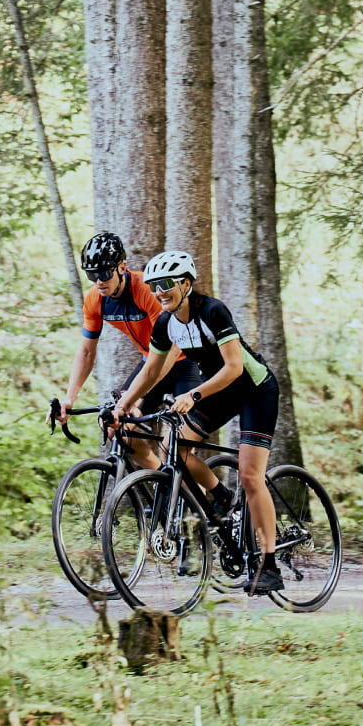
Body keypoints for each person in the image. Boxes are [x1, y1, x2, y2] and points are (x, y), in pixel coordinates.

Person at [113, 250, 284, 595]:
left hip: (255, 390)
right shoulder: (166, 323)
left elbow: (234, 367)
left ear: (186, 283)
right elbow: (151, 371)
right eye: (153, 286)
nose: (159, 292)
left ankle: (269, 566)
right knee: (172, 449)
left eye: (166, 284)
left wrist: (193, 394)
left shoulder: (212, 311)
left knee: (250, 476)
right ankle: (220, 496)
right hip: (220, 392)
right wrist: (124, 405)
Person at [58, 232, 202, 471]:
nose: (98, 281)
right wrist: (69, 398)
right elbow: (86, 352)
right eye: (92, 275)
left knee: (177, 446)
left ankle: (202, 493)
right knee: (116, 426)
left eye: (104, 273)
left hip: (187, 362)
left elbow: (173, 346)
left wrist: (136, 395)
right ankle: (160, 481)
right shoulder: (95, 299)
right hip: (151, 362)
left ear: (122, 267)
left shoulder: (147, 290)